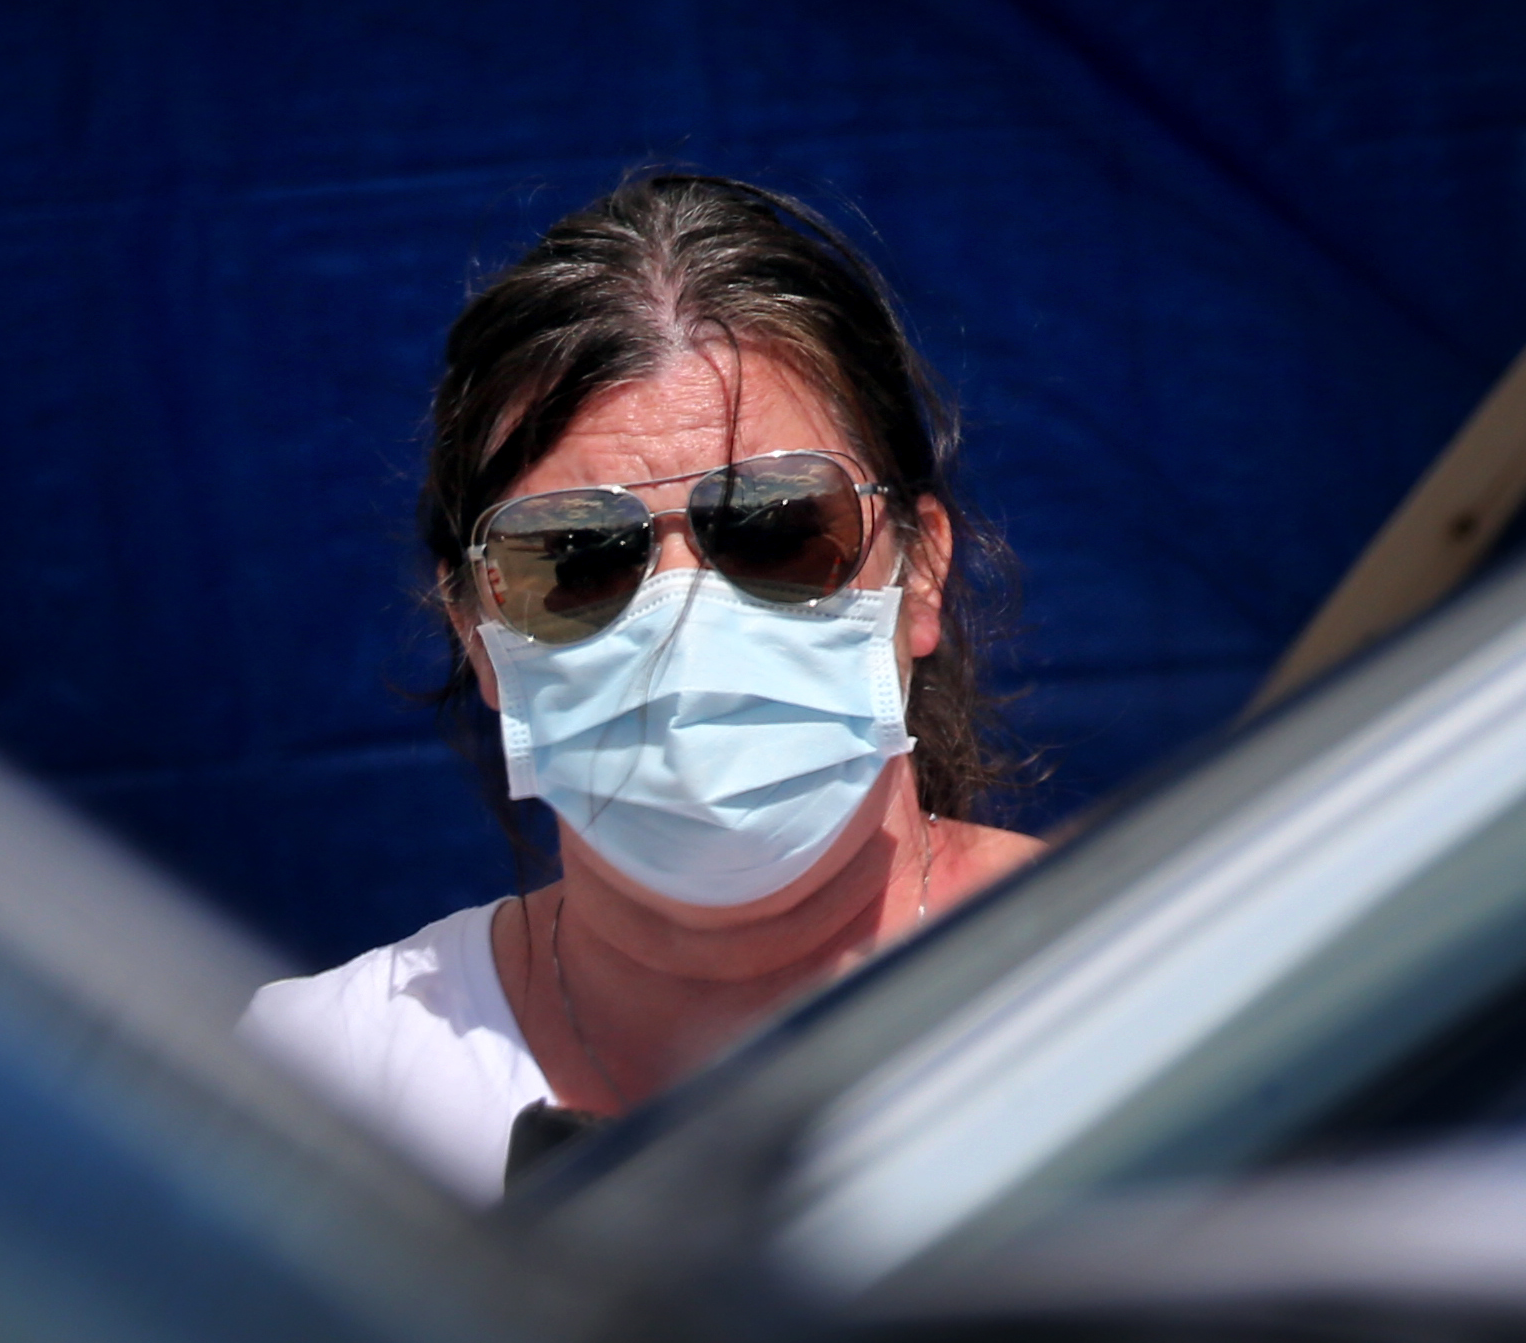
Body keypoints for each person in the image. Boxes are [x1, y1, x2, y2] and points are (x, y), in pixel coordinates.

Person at [246, 171, 1043, 1199]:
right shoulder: (325, 1093)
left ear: (919, 569)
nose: (682, 617)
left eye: (777, 527)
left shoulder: (1175, 988)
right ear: (478, 636)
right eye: (572, 556)